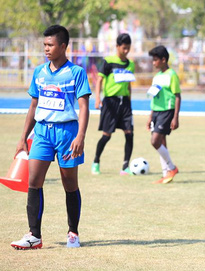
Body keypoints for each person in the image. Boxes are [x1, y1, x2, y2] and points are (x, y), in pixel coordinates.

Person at [10, 25, 91, 249]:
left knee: (69, 183)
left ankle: (73, 232)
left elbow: (84, 106)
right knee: (34, 182)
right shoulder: (39, 72)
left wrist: (80, 136)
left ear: (63, 46)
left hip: (67, 133)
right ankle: (34, 235)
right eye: (44, 45)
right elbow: (33, 106)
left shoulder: (76, 72)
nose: (46, 49)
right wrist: (22, 138)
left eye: (50, 45)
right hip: (43, 132)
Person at [92, 33, 135, 176]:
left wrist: (130, 100)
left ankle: (125, 166)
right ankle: (96, 162)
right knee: (107, 135)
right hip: (111, 102)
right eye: (124, 48)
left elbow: (129, 84)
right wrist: (98, 98)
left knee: (129, 133)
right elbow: (99, 80)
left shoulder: (131, 64)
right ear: (117, 46)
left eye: (128, 48)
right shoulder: (108, 61)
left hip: (125, 103)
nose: (126, 51)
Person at [147, 45, 181, 184]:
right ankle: (166, 173)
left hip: (167, 111)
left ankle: (172, 168)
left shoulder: (172, 75)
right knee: (161, 142)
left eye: (155, 60)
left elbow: (177, 96)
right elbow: (154, 96)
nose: (153, 63)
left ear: (163, 59)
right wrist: (150, 116)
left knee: (155, 141)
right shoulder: (157, 76)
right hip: (156, 112)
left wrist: (176, 117)